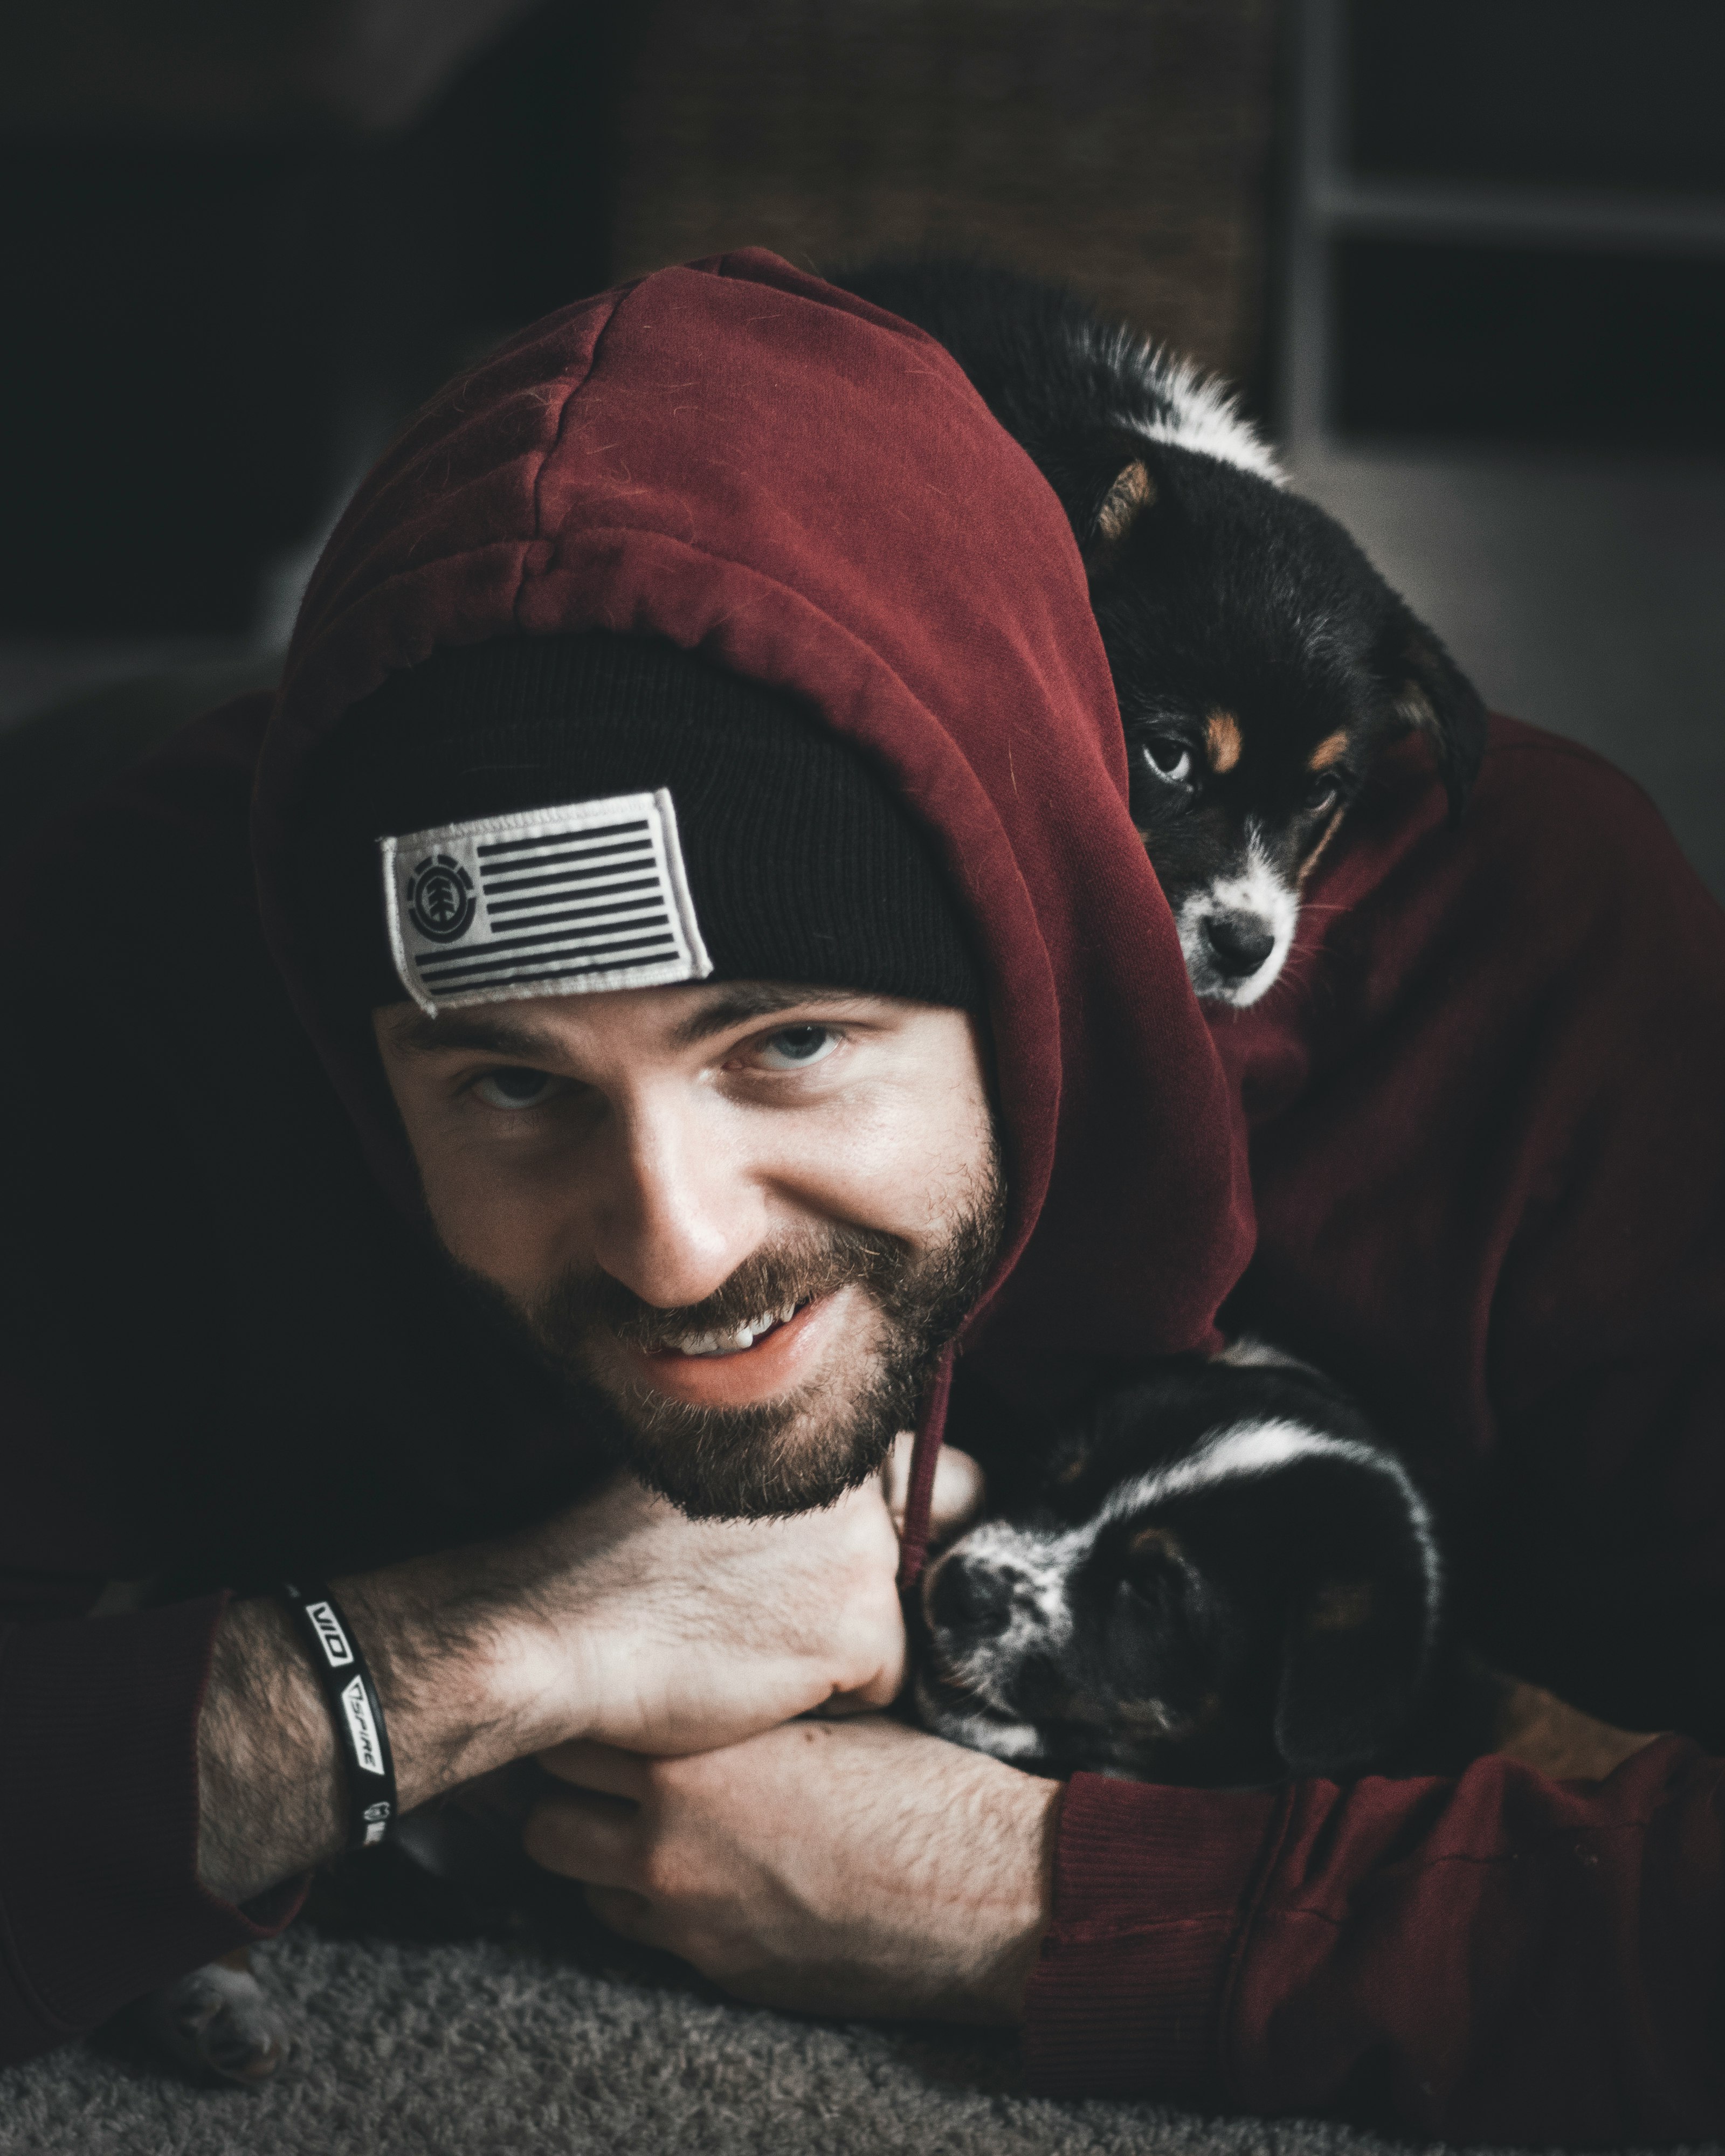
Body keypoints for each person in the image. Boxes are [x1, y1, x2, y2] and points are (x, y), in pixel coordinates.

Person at [1, 251, 1721, 2141]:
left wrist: (1039, 1896)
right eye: (510, 1082)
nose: (680, 1241)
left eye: (792, 1046)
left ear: (1041, 937)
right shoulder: (148, 974)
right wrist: (448, 1657)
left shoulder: (1519, 967)